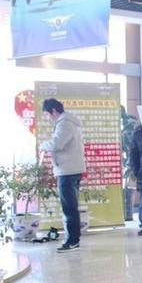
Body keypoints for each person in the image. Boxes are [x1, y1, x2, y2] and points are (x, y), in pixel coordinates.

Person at [40, 98, 86, 252]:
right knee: (71, 206)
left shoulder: (65, 123)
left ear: (53, 111)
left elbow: (57, 143)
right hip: (70, 169)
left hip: (68, 171)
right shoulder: (67, 122)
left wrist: (42, 145)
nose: (48, 118)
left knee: (69, 208)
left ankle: (72, 241)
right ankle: (73, 239)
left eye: (47, 114)